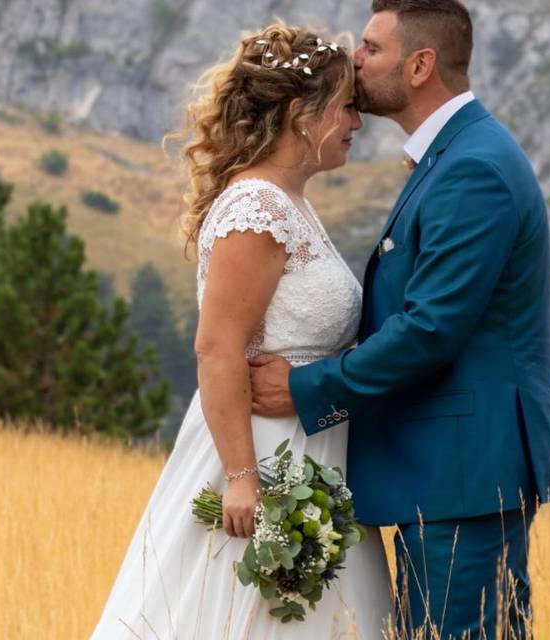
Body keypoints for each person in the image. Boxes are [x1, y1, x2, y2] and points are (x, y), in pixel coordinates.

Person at [249, 1, 550, 638]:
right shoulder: (457, 154)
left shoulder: (472, 167)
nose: (354, 60)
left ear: (420, 65)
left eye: (371, 48)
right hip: (452, 473)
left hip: (463, 475)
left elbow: (432, 329)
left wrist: (306, 387)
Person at [89, 23, 392, 639]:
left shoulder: (290, 200)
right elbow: (217, 346)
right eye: (347, 107)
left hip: (316, 458)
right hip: (261, 457)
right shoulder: (256, 208)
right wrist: (242, 479)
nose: (358, 123)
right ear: (297, 113)